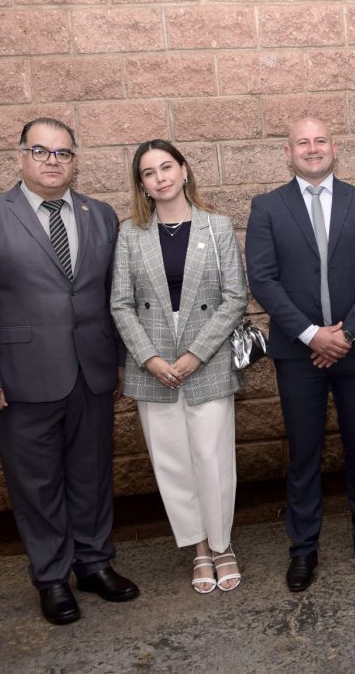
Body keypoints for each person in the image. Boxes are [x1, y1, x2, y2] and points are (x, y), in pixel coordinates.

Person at [0, 117, 138, 625]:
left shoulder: (100, 215)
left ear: (75, 161)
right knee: (36, 484)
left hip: (92, 373)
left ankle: (94, 564)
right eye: (41, 151)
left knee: (92, 474)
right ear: (20, 157)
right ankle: (52, 577)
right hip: (20, 378)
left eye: (63, 153)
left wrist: (120, 361)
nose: (52, 161)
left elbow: (114, 298)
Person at [246, 118, 355, 592]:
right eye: (302, 143)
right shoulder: (267, 207)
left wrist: (344, 335)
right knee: (304, 451)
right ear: (287, 153)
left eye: (320, 141)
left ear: (334, 148)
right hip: (298, 354)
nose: (312, 149)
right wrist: (312, 335)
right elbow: (263, 278)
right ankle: (303, 548)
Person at [110, 140, 248, 593]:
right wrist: (150, 358)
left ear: (184, 170)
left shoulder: (217, 226)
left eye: (167, 167)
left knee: (213, 459)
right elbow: (121, 303)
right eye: (149, 173)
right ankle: (199, 548)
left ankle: (223, 545)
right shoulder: (131, 233)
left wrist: (195, 355)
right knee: (172, 463)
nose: (161, 178)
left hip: (205, 360)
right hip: (153, 364)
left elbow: (234, 298)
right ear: (142, 186)